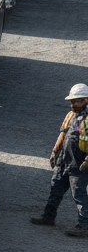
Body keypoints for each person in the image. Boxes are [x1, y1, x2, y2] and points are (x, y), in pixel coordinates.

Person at [31, 83, 88, 237]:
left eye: (77, 101)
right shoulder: (70, 115)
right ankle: (48, 217)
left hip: (80, 165)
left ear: (86, 100)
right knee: (55, 189)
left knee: (80, 196)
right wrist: (55, 152)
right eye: (72, 101)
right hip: (64, 161)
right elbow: (63, 134)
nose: (73, 104)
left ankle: (84, 226)